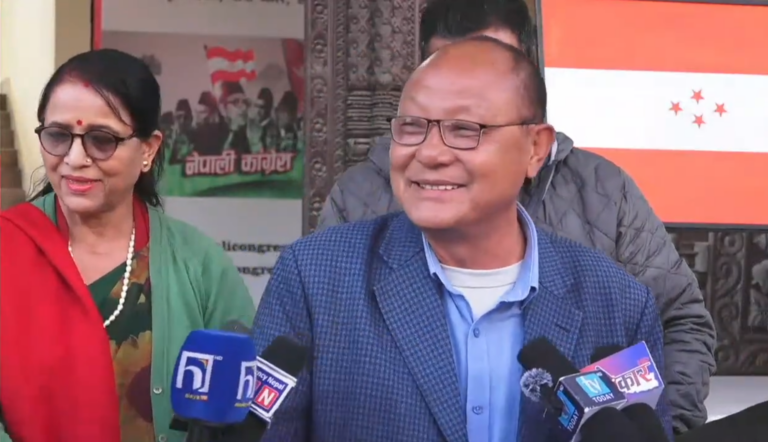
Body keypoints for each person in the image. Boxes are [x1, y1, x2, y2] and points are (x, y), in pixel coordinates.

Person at [316, 0, 715, 433]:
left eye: (491, 67)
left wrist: (659, 429)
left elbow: (681, 322)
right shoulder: (360, 197)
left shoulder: (603, 190)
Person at [253, 36, 670, 442]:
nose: (430, 153)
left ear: (536, 148)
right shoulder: (316, 278)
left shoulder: (617, 303)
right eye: (412, 127)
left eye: (465, 129)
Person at [0, 49, 256, 442]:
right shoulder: (9, 246)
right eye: (58, 135)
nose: (75, 158)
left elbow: (247, 400)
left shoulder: (198, 264)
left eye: (101, 140)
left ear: (148, 149)